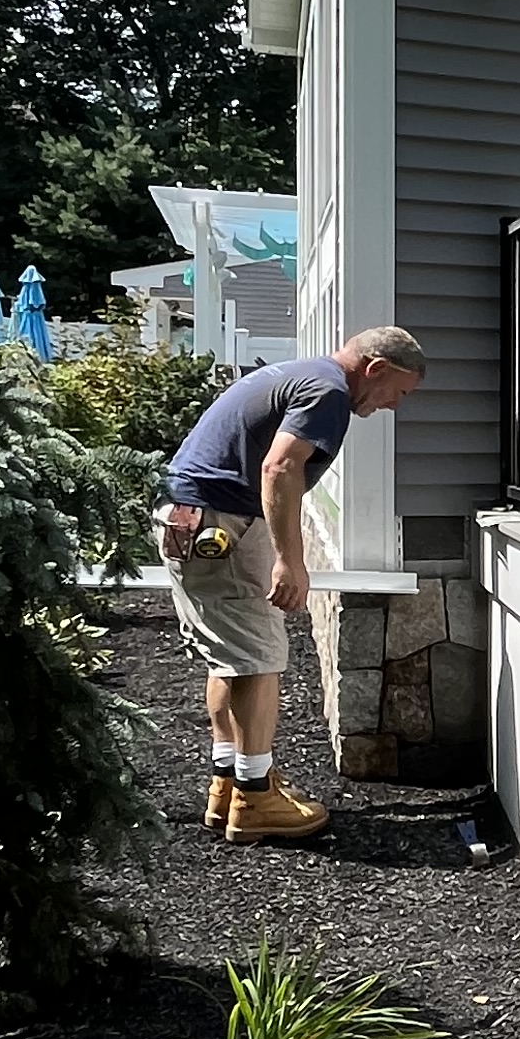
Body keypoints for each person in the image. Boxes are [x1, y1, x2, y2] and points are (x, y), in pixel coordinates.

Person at [158, 327, 425, 841]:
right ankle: (254, 798)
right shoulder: (329, 391)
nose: (393, 405)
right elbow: (280, 466)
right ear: (375, 368)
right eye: (398, 391)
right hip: (220, 521)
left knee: (231, 658)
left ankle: (229, 782)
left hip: (198, 516)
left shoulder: (304, 374)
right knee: (257, 658)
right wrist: (290, 560)